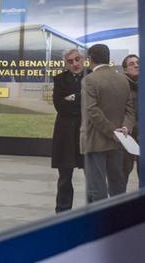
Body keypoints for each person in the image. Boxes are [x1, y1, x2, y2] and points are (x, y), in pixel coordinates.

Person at [80, 44, 136, 204]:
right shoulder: (122, 79)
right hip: (119, 141)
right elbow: (130, 110)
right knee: (117, 185)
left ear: (90, 59)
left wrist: (112, 131)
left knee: (97, 189)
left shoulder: (89, 80)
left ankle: (102, 223)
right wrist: (124, 129)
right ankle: (117, 218)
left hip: (95, 140)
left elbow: (92, 111)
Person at [50, 48, 88, 213]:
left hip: (86, 132)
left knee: (92, 176)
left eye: (77, 59)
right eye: (70, 61)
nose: (75, 64)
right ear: (66, 64)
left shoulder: (92, 76)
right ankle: (63, 212)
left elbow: (91, 105)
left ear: (83, 59)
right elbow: (60, 106)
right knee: (65, 176)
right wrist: (79, 103)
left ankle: (95, 210)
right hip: (65, 134)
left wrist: (74, 98)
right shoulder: (59, 79)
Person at [121, 54, 140, 183]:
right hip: (127, 134)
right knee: (123, 171)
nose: (136, 65)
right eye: (131, 64)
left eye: (138, 63)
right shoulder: (121, 86)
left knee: (144, 171)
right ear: (125, 69)